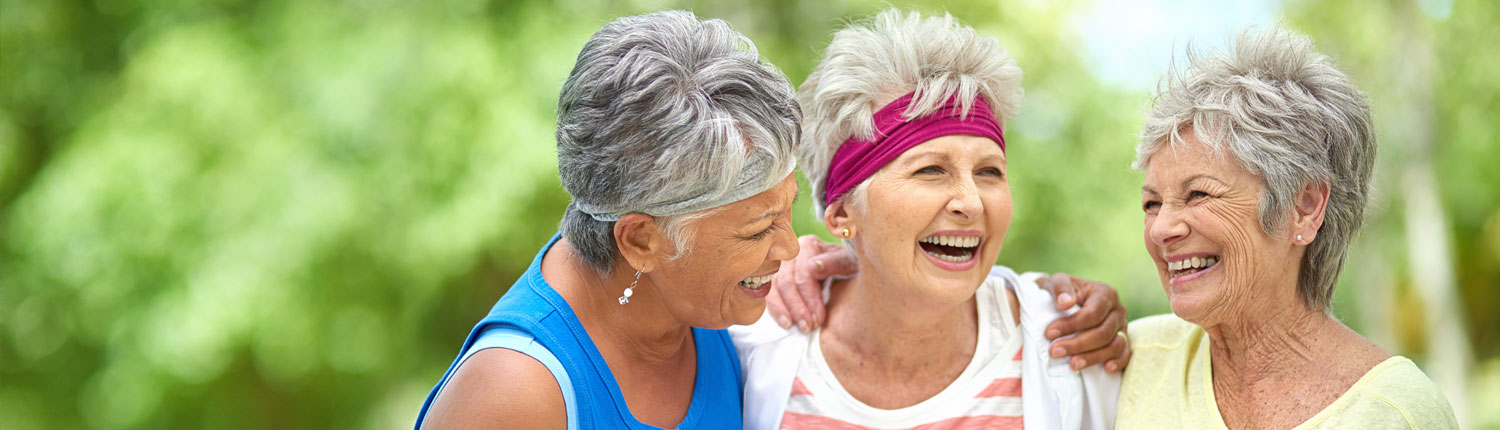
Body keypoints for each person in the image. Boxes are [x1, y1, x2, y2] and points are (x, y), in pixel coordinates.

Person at [731, 10, 1125, 429]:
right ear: (843, 211)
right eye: (931, 170)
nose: (971, 203)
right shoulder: (749, 347)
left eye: (989, 171)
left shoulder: (1071, 344)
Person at [414, 11, 803, 429]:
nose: (791, 248)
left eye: (788, 211)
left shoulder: (717, 304)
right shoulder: (513, 396)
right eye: (759, 229)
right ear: (640, 240)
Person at [1118, 28, 1458, 429]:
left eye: (1197, 195)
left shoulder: (1398, 411)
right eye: (1151, 203)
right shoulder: (1126, 358)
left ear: (1304, 208)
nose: (1161, 229)